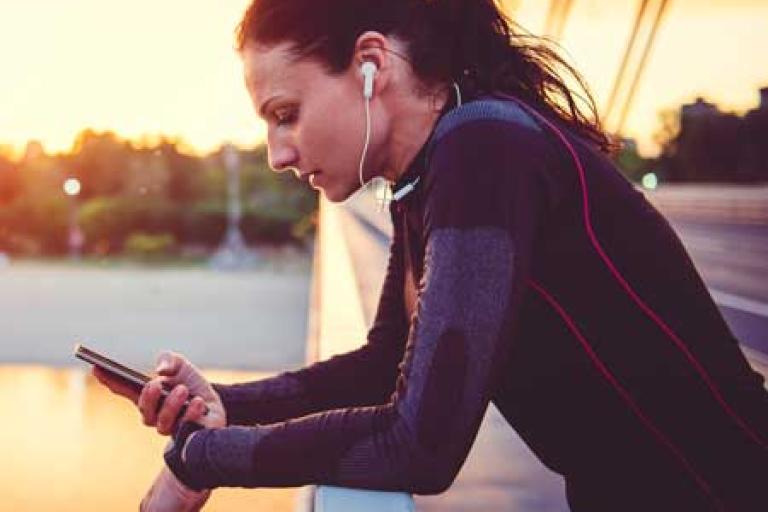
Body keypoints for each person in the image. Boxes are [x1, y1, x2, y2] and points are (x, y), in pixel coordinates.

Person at [95, 1, 768, 510]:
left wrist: (204, 459)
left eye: (286, 113)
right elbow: (385, 364)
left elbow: (420, 445)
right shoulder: (433, 174)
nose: (278, 154)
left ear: (370, 65)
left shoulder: (485, 152)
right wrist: (224, 405)